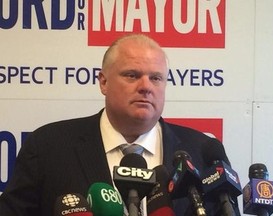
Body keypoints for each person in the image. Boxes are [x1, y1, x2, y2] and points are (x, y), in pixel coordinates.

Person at [0, 34, 240, 216]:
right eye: (132, 75)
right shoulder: (48, 146)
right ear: (103, 82)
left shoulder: (202, 151)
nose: (146, 86)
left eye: (156, 78)